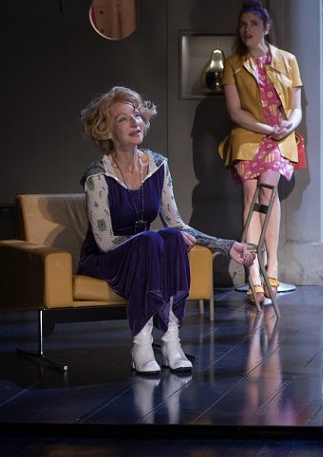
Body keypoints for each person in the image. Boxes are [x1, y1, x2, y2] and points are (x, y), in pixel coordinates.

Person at [79, 86, 256, 375]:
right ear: (107, 130)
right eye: (123, 119)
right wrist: (152, 241)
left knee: (171, 237)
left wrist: (226, 246)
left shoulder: (158, 165)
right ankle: (141, 344)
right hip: (106, 258)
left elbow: (176, 224)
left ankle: (172, 340)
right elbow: (105, 242)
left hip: (146, 253)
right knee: (153, 240)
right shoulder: (98, 175)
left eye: (137, 115)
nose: (136, 122)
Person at [219, 0, 304, 307]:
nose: (247, 30)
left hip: (279, 137)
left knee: (268, 194)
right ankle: (252, 272)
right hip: (249, 136)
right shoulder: (233, 64)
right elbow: (235, 111)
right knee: (250, 194)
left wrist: (286, 126)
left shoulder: (287, 60)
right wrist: (267, 129)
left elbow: (295, 109)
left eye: (253, 24)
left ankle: (272, 266)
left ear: (266, 28)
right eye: (243, 25)